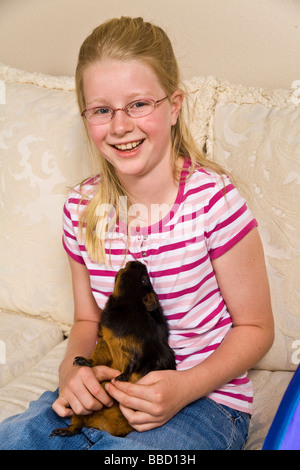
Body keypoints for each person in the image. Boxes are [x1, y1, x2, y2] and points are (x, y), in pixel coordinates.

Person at [0, 16, 274, 450]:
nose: (121, 125)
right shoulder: (80, 209)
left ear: (174, 106)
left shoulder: (212, 201)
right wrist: (72, 372)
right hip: (109, 388)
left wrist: (184, 387)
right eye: (102, 110)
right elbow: (89, 320)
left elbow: (257, 327)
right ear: (86, 116)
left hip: (203, 402)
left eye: (139, 104)